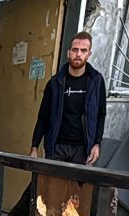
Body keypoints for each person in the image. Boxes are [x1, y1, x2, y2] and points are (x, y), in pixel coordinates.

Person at [30, 31, 107, 166]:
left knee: (77, 187)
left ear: (89, 54)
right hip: (57, 147)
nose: (78, 54)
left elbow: (101, 115)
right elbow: (43, 117)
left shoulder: (97, 82)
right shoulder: (55, 83)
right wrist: (34, 147)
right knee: (52, 186)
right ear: (68, 52)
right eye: (75, 50)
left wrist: (97, 144)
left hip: (83, 150)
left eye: (83, 50)